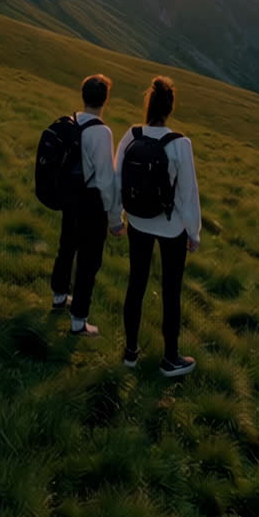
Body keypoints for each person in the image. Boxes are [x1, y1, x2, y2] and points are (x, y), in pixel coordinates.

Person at [114, 75, 200, 376]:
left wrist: (116, 217)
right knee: (171, 290)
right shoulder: (180, 144)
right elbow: (188, 193)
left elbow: (117, 178)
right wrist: (194, 233)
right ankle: (170, 358)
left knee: (136, 284)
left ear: (148, 105)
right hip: (171, 227)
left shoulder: (132, 135)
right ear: (170, 108)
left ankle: (130, 352)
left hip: (137, 221)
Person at [51, 73, 124, 336]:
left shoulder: (71, 121)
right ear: (105, 99)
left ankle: (59, 296)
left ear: (83, 96)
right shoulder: (101, 132)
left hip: (71, 197)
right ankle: (78, 321)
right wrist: (115, 219)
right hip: (92, 202)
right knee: (88, 261)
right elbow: (105, 180)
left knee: (66, 247)